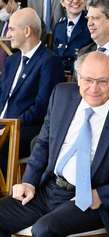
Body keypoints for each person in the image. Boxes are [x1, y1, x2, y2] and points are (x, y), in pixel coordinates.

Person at [0, 51, 109, 236]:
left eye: (103, 81)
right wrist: (29, 182)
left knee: (44, 229)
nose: (94, 88)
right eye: (88, 80)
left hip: (90, 199)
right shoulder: (62, 95)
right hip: (49, 189)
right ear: (78, 78)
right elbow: (43, 143)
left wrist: (101, 195)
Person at [0, 8, 64, 161]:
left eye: (12, 29)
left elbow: (41, 108)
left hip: (26, 128)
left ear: (27, 31)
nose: (8, 35)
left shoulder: (49, 62)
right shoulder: (12, 61)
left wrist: (9, 126)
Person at [52, 0, 92, 76]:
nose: (76, 1)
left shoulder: (90, 24)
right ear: (62, 2)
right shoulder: (59, 26)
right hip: (59, 76)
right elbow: (54, 56)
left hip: (81, 76)